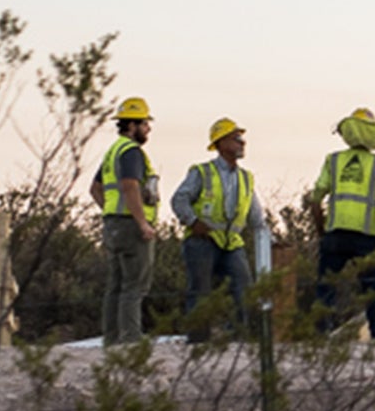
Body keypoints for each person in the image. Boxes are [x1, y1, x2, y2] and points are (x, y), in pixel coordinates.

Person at [170, 117, 262, 338]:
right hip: (202, 242)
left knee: (244, 291)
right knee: (200, 293)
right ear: (220, 143)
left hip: (232, 243)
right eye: (236, 138)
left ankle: (238, 339)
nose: (242, 143)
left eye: (242, 139)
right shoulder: (202, 172)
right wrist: (192, 222)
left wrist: (269, 239)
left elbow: (256, 216)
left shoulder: (246, 178)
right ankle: (198, 341)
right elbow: (179, 199)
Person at [308, 107, 375, 338]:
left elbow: (316, 198)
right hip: (366, 237)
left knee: (326, 287)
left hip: (335, 234)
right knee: (371, 289)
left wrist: (321, 230)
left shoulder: (334, 161)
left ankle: (318, 336)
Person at [90, 96, 159, 345]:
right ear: (132, 126)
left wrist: (110, 212)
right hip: (131, 227)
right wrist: (142, 222)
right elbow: (130, 186)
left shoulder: (112, 152)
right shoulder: (131, 152)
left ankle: (111, 339)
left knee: (115, 286)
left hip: (113, 225)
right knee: (135, 286)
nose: (148, 128)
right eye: (144, 123)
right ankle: (131, 340)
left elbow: (95, 189)